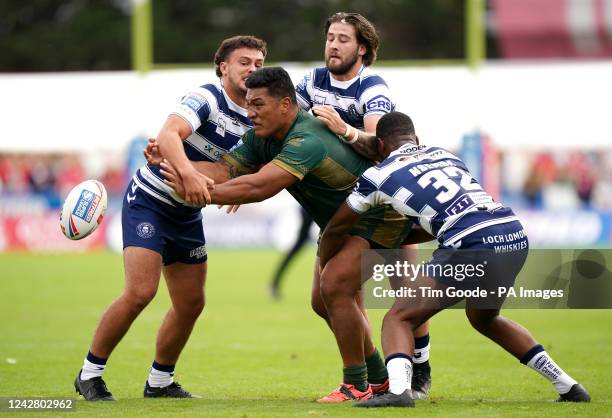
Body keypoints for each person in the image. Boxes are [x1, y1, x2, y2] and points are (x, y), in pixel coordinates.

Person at [153, 66, 413, 402]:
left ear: (286, 105)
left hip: (378, 216)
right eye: (249, 104)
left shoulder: (308, 138)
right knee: (323, 301)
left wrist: (202, 192)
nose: (251, 113)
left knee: (334, 287)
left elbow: (260, 186)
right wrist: (176, 167)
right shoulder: (264, 138)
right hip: (341, 223)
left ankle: (356, 385)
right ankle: (378, 378)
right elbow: (225, 169)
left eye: (259, 105)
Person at [319, 111, 592, 407]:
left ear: (381, 146)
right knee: (485, 318)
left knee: (399, 318)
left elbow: (338, 226)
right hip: (512, 234)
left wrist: (326, 255)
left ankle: (399, 392)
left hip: (471, 242)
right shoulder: (444, 154)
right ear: (416, 139)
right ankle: (569, 386)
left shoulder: (377, 175)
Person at [73, 35, 267, 401]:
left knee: (191, 303)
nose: (252, 69)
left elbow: (231, 173)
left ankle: (160, 381)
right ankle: (89, 374)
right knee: (141, 292)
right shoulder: (208, 96)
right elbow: (168, 133)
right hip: (149, 201)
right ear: (224, 67)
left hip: (187, 214)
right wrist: (188, 171)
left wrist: (180, 163)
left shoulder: (258, 117)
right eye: (245, 62)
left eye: (258, 64)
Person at [296, 12, 432, 400]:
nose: (333, 45)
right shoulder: (312, 81)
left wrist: (343, 129)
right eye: (330, 38)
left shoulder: (372, 87)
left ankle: (415, 371)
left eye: (343, 39)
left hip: (386, 203)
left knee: (405, 293)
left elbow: (379, 146)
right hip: (343, 208)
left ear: (363, 49)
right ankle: (377, 372)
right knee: (324, 301)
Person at [268, 208, 314, 299]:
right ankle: (274, 283)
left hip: (309, 208)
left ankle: (274, 283)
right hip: (311, 209)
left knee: (298, 246)